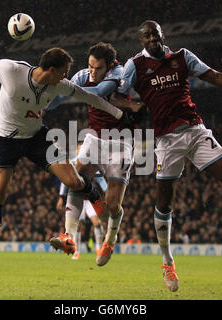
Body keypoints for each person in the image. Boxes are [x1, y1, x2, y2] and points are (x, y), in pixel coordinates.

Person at [0, 48, 131, 275]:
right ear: (51, 69)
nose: (66, 77)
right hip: (6, 140)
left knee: (73, 180)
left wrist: (119, 114)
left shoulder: (60, 84)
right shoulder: (11, 69)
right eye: (64, 71)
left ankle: (95, 200)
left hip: (37, 138)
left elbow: (90, 97)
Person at [113, 20, 222, 292]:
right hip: (166, 141)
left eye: (155, 34)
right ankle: (167, 261)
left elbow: (216, 77)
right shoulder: (134, 65)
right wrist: (131, 105)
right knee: (164, 203)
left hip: (195, 131)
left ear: (163, 34)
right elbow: (117, 94)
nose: (152, 39)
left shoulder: (182, 57)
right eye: (146, 36)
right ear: (141, 41)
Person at [47, 42, 142, 266]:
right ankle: (68, 236)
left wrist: (67, 90)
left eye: (97, 68)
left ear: (109, 66)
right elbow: (58, 99)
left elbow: (99, 93)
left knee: (113, 204)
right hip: (95, 137)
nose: (92, 72)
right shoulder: (83, 75)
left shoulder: (118, 73)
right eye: (90, 66)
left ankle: (110, 238)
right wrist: (45, 101)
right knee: (75, 179)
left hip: (121, 142)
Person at [56, 176, 106, 260]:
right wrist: (61, 197)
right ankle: (76, 252)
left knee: (97, 223)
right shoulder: (73, 165)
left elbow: (100, 178)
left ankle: (98, 248)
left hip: (90, 199)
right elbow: (64, 181)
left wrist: (106, 190)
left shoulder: (90, 165)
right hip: (77, 198)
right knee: (78, 226)